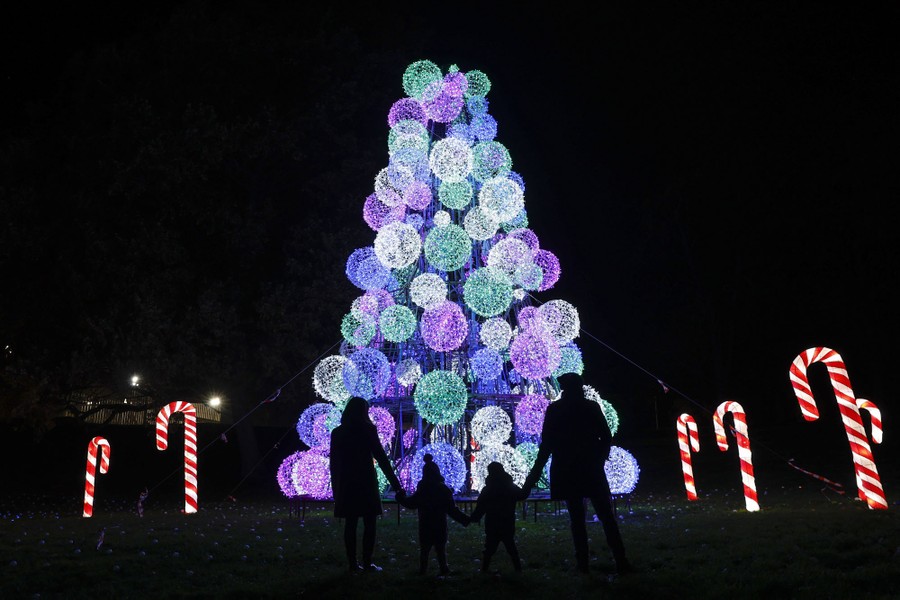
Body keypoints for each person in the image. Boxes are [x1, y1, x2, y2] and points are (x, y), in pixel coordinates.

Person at [521, 372, 632, 575]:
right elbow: (606, 436)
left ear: (564, 389)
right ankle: (620, 561)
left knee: (578, 520)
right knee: (606, 516)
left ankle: (583, 565)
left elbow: (546, 445)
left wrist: (531, 480)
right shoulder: (589, 407)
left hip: (567, 469)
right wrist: (599, 457)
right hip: (590, 469)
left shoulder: (556, 410)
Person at [329, 397, 404, 573]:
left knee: (351, 523)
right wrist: (396, 484)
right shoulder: (368, 430)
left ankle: (352, 564)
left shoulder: (338, 432)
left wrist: (336, 488)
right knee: (370, 523)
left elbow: (334, 463)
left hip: (347, 483)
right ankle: (367, 562)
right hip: (365, 481)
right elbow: (381, 457)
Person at [396, 453, 470, 575]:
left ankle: (423, 569)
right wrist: (465, 519)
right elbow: (451, 509)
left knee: (425, 549)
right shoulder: (443, 489)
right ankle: (443, 568)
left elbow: (412, 503)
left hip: (425, 523)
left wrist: (401, 498)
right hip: (439, 523)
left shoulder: (423, 489)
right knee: (440, 548)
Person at [470, 461, 523, 573]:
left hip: (492, 522)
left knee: (490, 547)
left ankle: (484, 569)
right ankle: (518, 568)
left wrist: (474, 518)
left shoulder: (488, 489)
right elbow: (521, 495)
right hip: (507, 521)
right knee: (510, 545)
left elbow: (481, 506)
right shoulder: (510, 487)